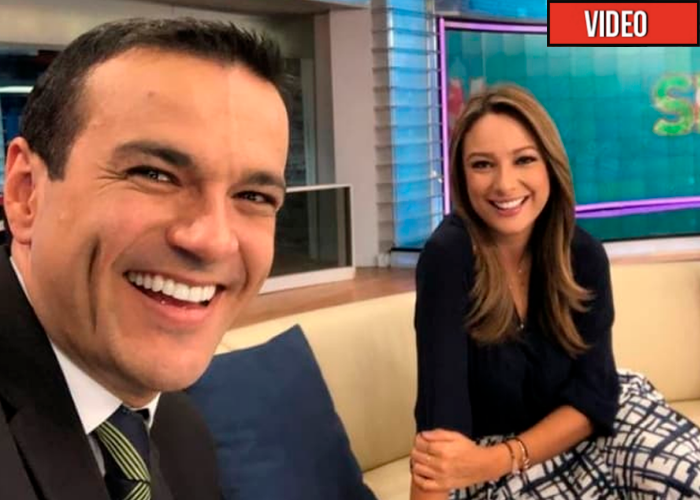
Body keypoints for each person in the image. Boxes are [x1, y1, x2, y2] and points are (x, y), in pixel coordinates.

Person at [0, 18, 289, 500]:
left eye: (254, 196)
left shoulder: (181, 431)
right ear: (26, 193)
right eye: (154, 174)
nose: (214, 240)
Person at [410, 83, 700, 500]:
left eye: (524, 159)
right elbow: (441, 435)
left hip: (593, 426)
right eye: (482, 164)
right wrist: (481, 465)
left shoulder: (584, 254)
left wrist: (504, 458)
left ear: (550, 164)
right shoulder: (448, 257)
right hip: (487, 458)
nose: (505, 184)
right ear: (462, 176)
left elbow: (594, 396)